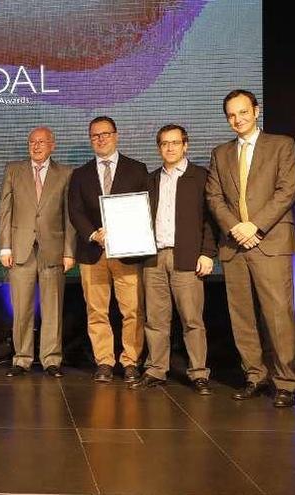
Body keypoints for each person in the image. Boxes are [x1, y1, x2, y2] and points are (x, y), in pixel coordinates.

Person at [205, 89, 295, 407]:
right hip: (234, 245)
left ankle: (285, 381)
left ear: (256, 111)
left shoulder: (281, 145)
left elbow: (287, 191)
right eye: (231, 115)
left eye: (243, 112)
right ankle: (255, 376)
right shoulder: (220, 153)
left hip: (269, 241)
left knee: (277, 314)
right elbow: (214, 198)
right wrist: (235, 227)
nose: (237, 119)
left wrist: (254, 226)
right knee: (242, 316)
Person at [130, 124, 217, 394]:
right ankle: (156, 370)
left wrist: (207, 253)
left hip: (187, 258)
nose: (169, 148)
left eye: (175, 143)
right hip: (154, 258)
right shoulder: (151, 179)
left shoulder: (201, 176)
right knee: (155, 319)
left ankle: (199, 373)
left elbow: (211, 220)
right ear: (159, 148)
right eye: (164, 143)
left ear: (185, 145)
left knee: (192, 319)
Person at [68, 116, 148, 383]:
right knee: (96, 310)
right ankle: (103, 361)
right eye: (95, 136)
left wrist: (123, 233)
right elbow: (75, 211)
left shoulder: (137, 170)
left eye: (105, 134)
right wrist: (94, 234)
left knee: (132, 310)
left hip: (128, 251)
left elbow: (144, 209)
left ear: (116, 135)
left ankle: (131, 361)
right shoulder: (80, 174)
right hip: (93, 252)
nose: (101, 139)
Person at [0, 127, 75, 378]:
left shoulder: (65, 173)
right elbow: (5, 210)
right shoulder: (13, 170)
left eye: (42, 142)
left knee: (52, 307)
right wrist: (5, 246)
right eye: (32, 141)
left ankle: (51, 359)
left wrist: (69, 251)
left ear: (52, 145)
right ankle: (21, 359)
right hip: (20, 249)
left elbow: (69, 216)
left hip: (53, 250)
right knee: (21, 308)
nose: (37, 145)